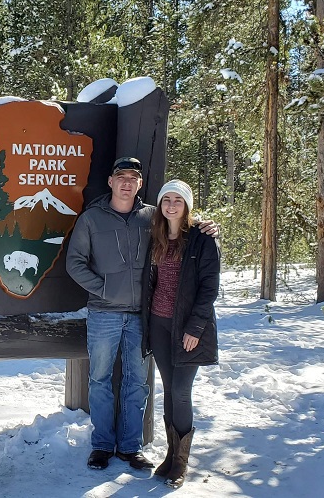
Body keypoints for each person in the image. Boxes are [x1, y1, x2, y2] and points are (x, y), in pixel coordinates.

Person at [66, 158, 217, 471]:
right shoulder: (92, 218)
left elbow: (180, 223)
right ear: (110, 181)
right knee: (100, 379)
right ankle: (103, 445)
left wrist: (206, 225)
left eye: (132, 178)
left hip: (141, 316)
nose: (126, 183)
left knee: (138, 381)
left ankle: (130, 447)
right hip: (104, 313)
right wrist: (105, 289)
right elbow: (75, 263)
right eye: (120, 177)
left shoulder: (151, 216)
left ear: (139, 184)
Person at [143, 179, 220, 488]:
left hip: (188, 327)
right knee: (168, 389)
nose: (171, 204)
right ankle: (170, 453)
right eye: (166, 199)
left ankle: (181, 463)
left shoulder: (202, 238)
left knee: (181, 391)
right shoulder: (156, 237)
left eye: (178, 199)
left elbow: (209, 288)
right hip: (159, 324)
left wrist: (195, 328)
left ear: (187, 205)